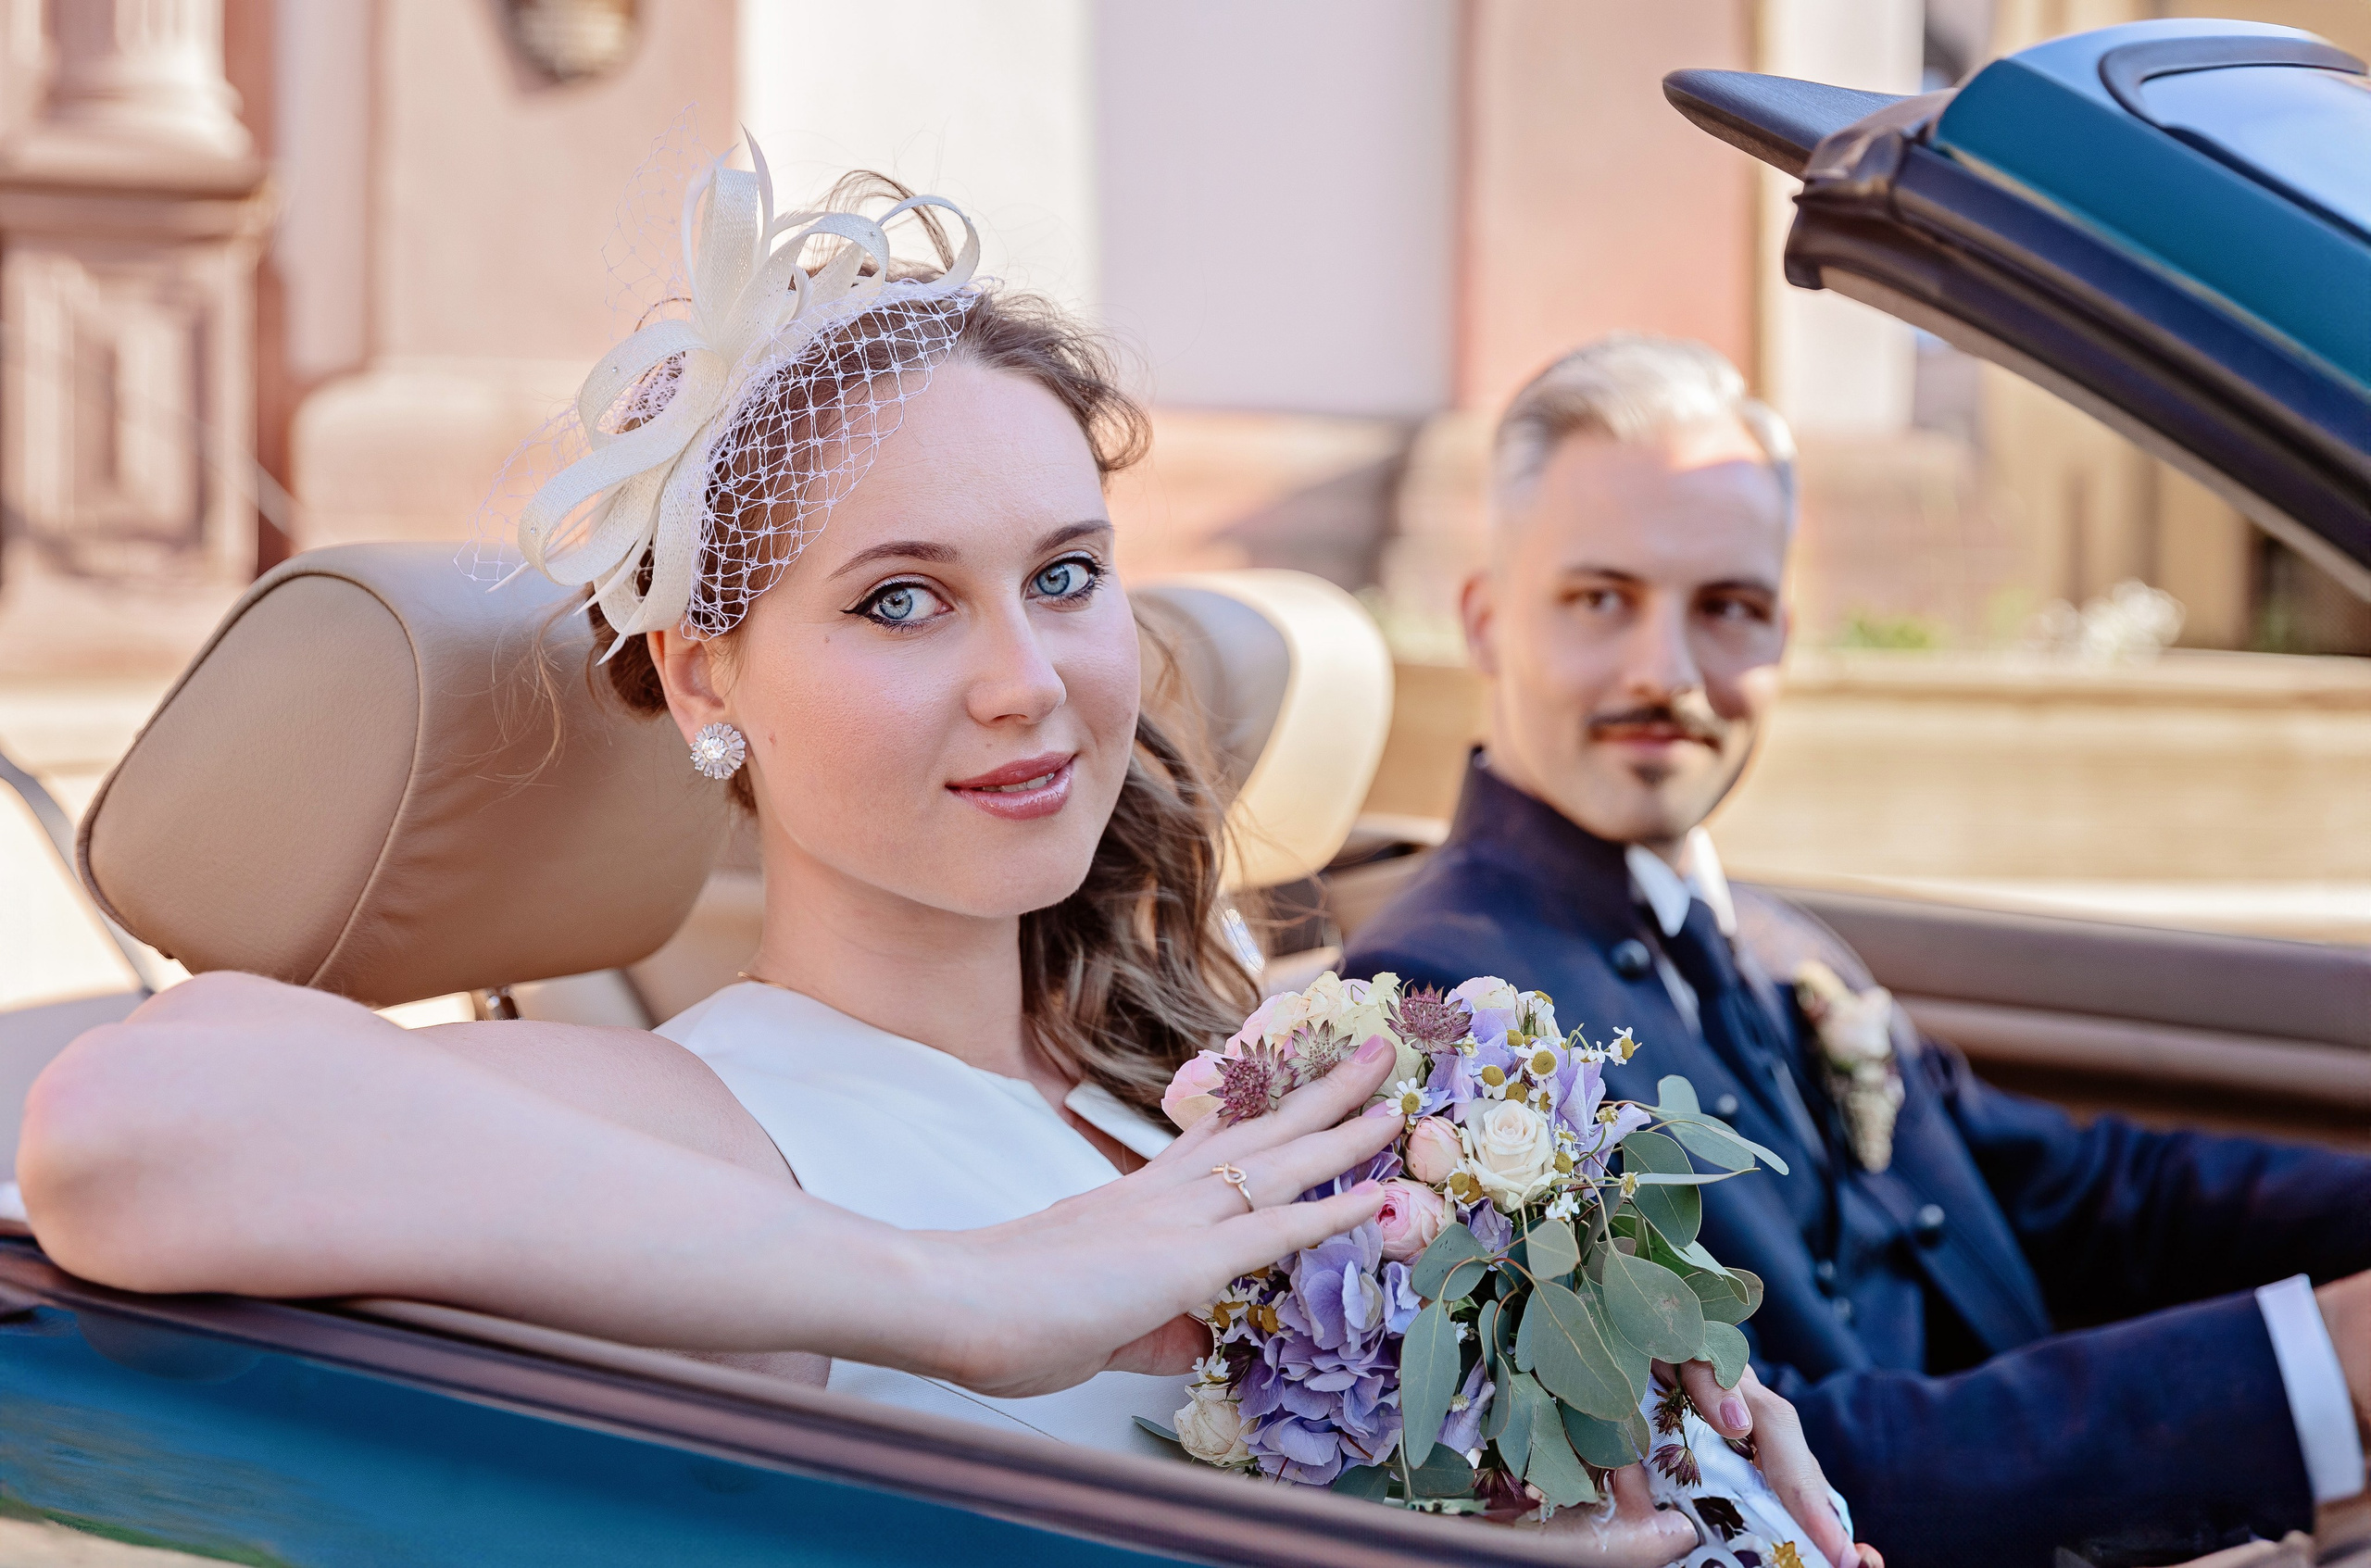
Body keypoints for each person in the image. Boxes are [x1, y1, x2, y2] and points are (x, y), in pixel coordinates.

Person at [18, 157, 1863, 1566]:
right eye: (902, 601)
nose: (1026, 683)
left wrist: (1631, 1393)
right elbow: (127, 1129)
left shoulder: (1207, 1063)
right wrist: (967, 1294)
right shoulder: (707, 1120)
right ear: (701, 671)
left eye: (1063, 575)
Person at [1341, 333, 2371, 1565]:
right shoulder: (1443, 1019)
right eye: (1600, 597)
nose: (1665, 671)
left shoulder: (1776, 942)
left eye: (1729, 608)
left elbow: (2073, 1195)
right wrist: (2319, 1366)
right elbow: (1725, 1476)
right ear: (1486, 620)